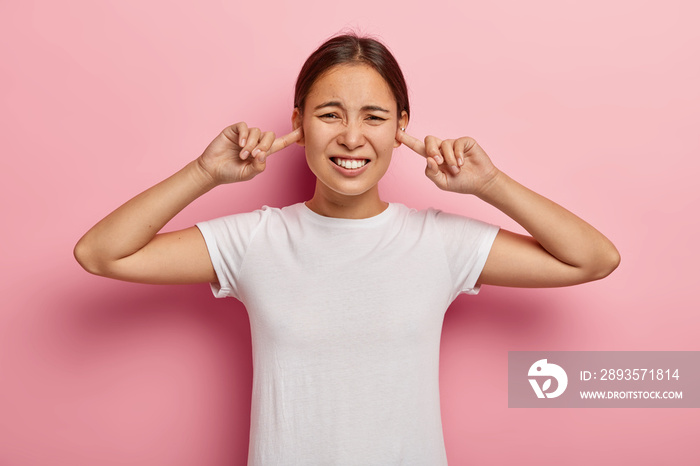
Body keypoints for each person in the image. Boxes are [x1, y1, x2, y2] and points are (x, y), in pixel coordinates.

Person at [74, 33, 620, 465]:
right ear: (298, 124)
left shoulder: (437, 242)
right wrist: (204, 173)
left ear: (403, 128)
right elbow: (102, 254)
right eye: (330, 114)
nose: (352, 137)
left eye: (375, 117)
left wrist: (489, 184)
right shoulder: (256, 240)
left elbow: (593, 259)